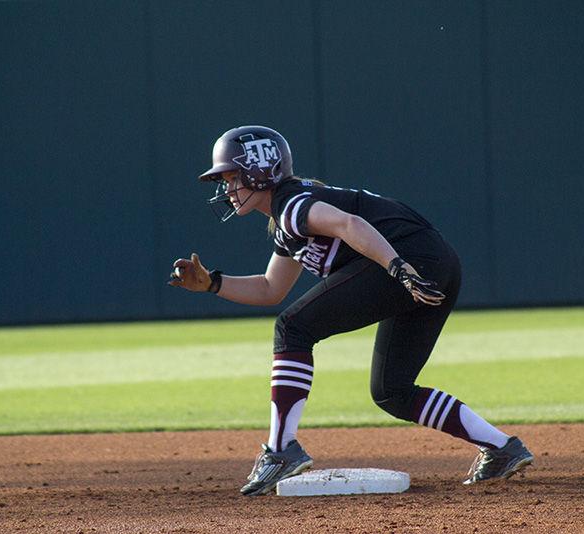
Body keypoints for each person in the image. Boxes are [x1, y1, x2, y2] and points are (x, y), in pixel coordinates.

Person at [169, 125, 533, 496]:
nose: (226, 189)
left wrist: (397, 267)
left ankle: (280, 451)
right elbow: (270, 287)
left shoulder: (293, 206)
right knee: (392, 391)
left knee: (292, 328)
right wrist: (213, 282)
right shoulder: (289, 217)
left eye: (232, 177)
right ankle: (503, 448)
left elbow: (349, 224)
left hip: (410, 261)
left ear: (260, 171)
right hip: (437, 263)